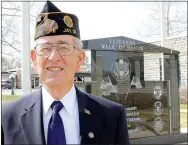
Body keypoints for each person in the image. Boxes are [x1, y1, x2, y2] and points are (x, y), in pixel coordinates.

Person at [2, 1, 130, 144]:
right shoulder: (7, 117)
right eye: (45, 48)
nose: (54, 57)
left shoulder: (111, 116)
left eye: (64, 48)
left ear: (79, 59)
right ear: (34, 58)